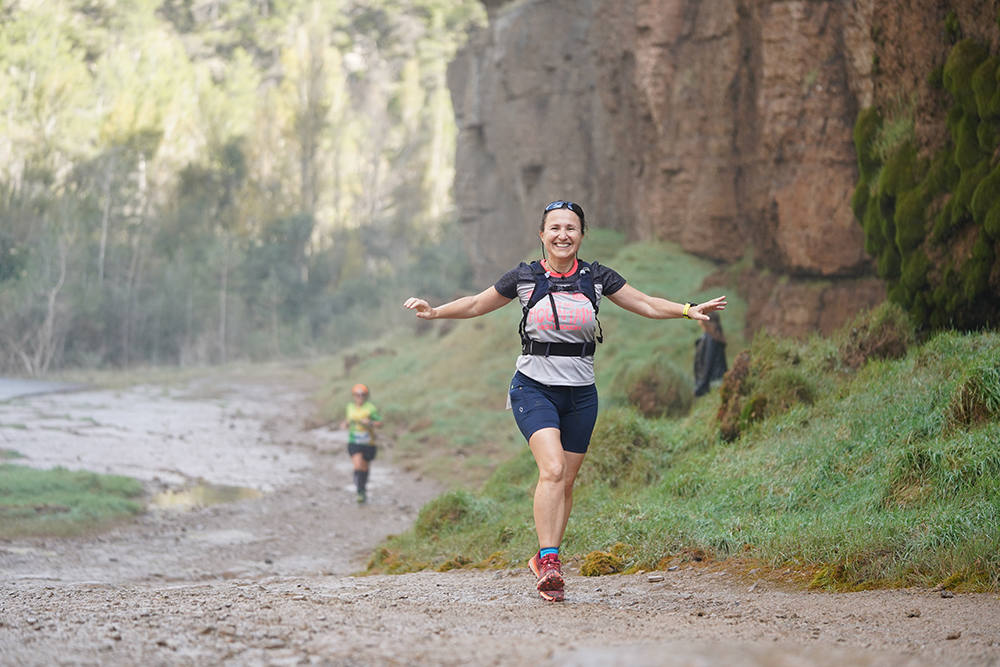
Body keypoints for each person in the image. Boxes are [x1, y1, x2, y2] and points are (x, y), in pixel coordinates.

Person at [403, 200, 726, 602]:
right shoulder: (523, 277)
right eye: (554, 228)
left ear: (581, 235)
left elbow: (643, 302)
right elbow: (474, 304)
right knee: (553, 469)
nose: (562, 235)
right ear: (542, 235)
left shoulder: (597, 277)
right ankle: (553, 561)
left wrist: (686, 309)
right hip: (533, 387)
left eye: (571, 228)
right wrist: (434, 312)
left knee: (566, 480)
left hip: (581, 393)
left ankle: (542, 557)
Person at [339, 383, 382, 504]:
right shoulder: (350, 407)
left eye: (363, 395)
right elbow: (348, 419)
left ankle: (363, 489)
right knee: (357, 465)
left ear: (366, 396)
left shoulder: (371, 408)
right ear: (353, 396)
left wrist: (370, 423)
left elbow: (379, 423)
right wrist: (345, 424)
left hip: (368, 443)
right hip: (354, 442)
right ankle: (359, 491)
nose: (360, 397)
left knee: (364, 467)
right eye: (357, 395)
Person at [693, 311, 728, 397]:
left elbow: (707, 363)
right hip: (719, 379)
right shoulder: (716, 336)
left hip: (713, 382)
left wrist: (701, 386)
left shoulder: (710, 339)